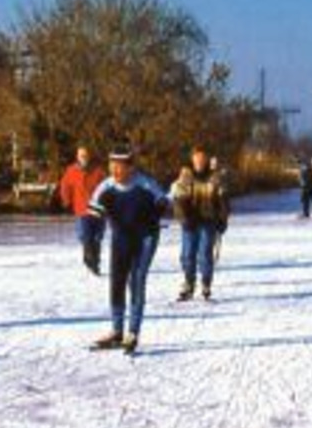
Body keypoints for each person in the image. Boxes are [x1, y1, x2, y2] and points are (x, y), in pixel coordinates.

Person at [87, 146, 170, 354]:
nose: (115, 171)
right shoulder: (105, 189)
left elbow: (164, 202)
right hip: (121, 238)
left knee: (137, 280)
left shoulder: (145, 184)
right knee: (117, 281)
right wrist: (90, 242)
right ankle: (117, 331)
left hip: (145, 238)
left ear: (131, 167)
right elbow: (92, 218)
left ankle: (132, 331)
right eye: (111, 166)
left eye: (120, 166)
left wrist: (153, 215)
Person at [170, 146, 230, 302]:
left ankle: (206, 283)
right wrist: (184, 218)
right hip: (190, 222)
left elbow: (223, 201)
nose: (200, 161)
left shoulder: (215, 178)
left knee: (205, 254)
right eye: (197, 158)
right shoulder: (185, 176)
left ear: (207, 160)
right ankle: (189, 283)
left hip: (208, 221)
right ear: (192, 159)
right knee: (187, 255)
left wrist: (222, 220)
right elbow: (178, 200)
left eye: (203, 158)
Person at [57, 146, 106, 278]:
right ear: (77, 157)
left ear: (89, 156)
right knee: (85, 236)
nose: (83, 157)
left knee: (97, 237)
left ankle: (95, 263)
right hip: (82, 208)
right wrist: (66, 200)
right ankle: (89, 260)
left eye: (85, 155)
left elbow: (107, 186)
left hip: (98, 208)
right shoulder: (71, 171)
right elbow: (65, 185)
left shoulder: (97, 171)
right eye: (81, 155)